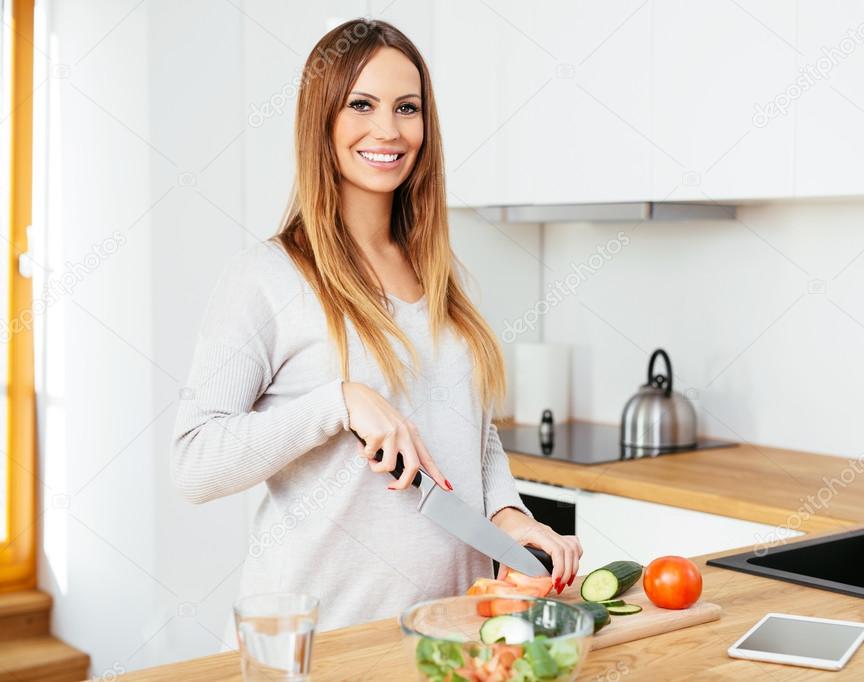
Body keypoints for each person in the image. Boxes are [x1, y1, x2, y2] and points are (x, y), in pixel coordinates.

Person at [170, 18, 582, 631]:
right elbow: (195, 464)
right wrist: (337, 402)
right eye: (361, 104)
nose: (388, 130)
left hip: (452, 627)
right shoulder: (266, 278)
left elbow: (473, 434)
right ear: (322, 121)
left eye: (407, 108)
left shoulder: (445, 275)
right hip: (327, 636)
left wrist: (507, 516)